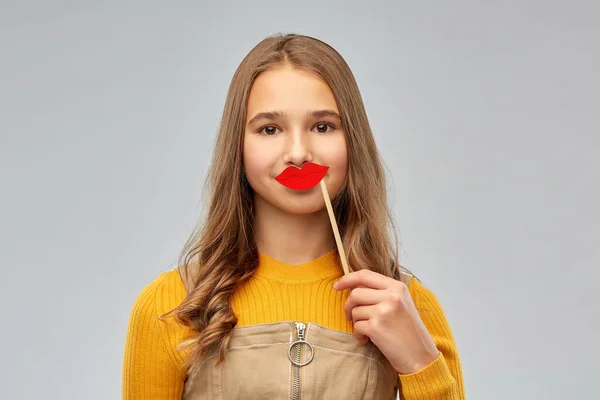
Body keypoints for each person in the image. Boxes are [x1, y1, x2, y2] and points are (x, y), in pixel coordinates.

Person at [122, 32, 465, 399]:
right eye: (270, 129)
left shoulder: (404, 306)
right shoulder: (169, 306)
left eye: (323, 126)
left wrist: (418, 361)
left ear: (354, 142)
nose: (299, 153)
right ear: (237, 146)